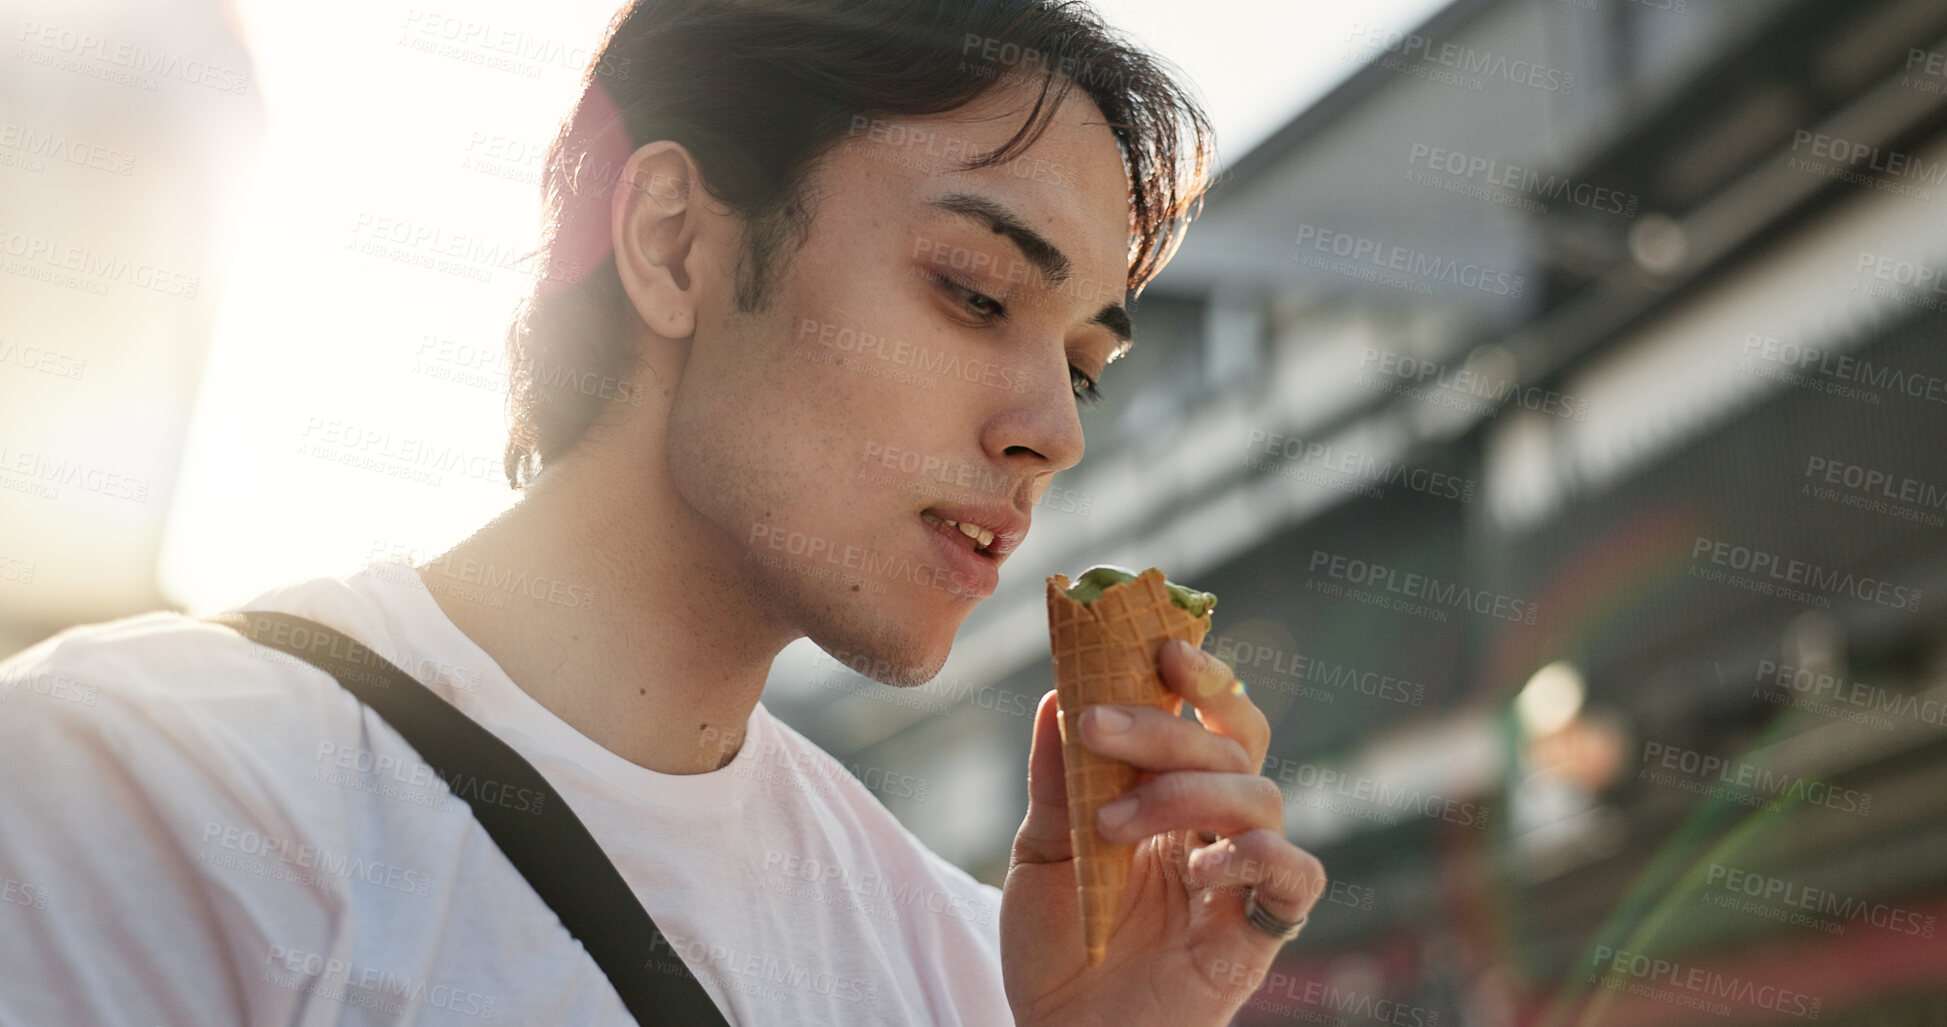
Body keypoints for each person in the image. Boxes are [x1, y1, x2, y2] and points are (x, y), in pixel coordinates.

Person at [0, 0, 1326, 1022]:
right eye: (976, 293)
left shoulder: (966, 960)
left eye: (1085, 365)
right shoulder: (142, 792)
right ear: (674, 242)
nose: (1056, 429)